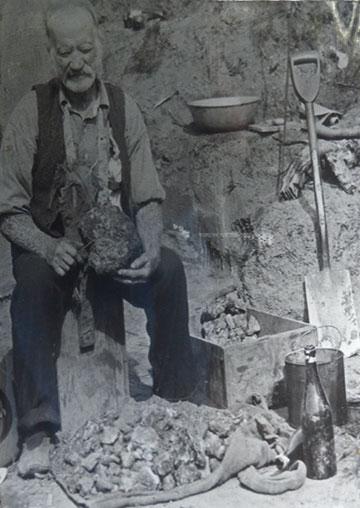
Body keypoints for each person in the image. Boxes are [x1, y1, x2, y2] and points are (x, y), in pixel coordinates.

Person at [0, 0, 196, 478]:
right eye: (65, 52)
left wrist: (149, 247)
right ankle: (39, 428)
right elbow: (7, 207)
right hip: (54, 248)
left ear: (101, 47)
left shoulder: (125, 109)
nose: (76, 62)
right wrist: (47, 247)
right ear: (51, 54)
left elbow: (148, 197)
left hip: (110, 249)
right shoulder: (31, 112)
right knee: (29, 293)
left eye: (85, 49)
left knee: (168, 270)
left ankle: (175, 400)